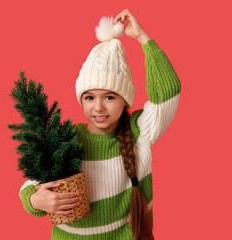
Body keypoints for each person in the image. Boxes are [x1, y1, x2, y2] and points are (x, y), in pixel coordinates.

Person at [18, 9, 181, 240]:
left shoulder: (140, 132)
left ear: (125, 99)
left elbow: (168, 91)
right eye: (90, 97)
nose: (98, 108)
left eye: (110, 97)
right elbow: (31, 183)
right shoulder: (67, 137)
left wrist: (143, 38)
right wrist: (34, 199)